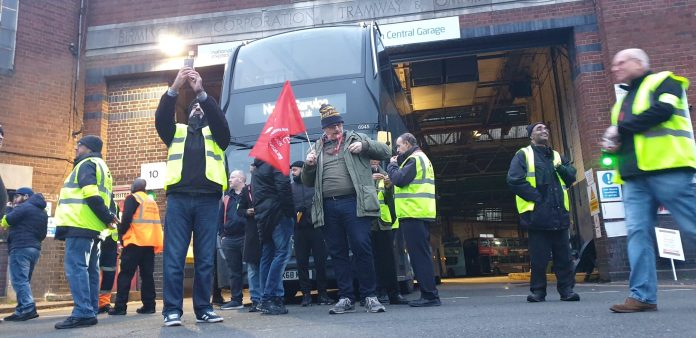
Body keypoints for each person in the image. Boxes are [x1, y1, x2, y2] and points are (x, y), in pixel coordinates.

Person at [602, 48, 696, 313]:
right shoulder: (621, 103)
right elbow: (626, 137)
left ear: (639, 63)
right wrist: (613, 145)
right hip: (634, 177)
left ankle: (642, 294)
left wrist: (620, 130)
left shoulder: (667, 81)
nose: (614, 68)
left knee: (692, 225)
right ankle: (642, 295)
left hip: (669, 168)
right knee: (637, 234)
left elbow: (663, 111)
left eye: (621, 62)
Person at [155, 67, 230, 326]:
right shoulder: (176, 132)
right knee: (174, 257)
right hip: (179, 200)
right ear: (188, 115)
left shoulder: (217, 136)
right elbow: (161, 118)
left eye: (203, 108)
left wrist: (201, 93)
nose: (199, 109)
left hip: (208, 200)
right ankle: (172, 311)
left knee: (205, 258)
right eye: (195, 108)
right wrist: (175, 88)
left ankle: (204, 308)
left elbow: (221, 123)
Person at [302, 103, 390, 314]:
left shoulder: (356, 139)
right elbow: (306, 181)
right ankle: (346, 297)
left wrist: (366, 147)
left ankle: (369, 295)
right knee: (338, 252)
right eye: (332, 127)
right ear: (324, 129)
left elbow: (386, 151)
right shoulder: (315, 147)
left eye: (339, 125)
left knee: (362, 247)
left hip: (354, 203)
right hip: (328, 206)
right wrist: (308, 165)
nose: (337, 129)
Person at [507, 123, 579, 303]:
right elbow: (514, 180)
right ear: (531, 136)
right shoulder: (523, 155)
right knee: (539, 258)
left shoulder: (556, 156)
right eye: (539, 129)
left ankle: (567, 291)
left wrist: (561, 168)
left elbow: (571, 177)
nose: (544, 130)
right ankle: (538, 292)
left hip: (559, 214)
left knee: (564, 257)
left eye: (546, 128)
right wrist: (537, 198)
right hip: (537, 216)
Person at [54, 135, 117, 329]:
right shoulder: (103, 168)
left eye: (79, 145)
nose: (76, 148)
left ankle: (83, 312)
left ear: (88, 148)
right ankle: (89, 309)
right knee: (90, 269)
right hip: (94, 228)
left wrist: (107, 217)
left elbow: (90, 193)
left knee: (76, 268)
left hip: (79, 224)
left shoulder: (86, 164)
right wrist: (107, 218)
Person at [386, 133, 441, 307]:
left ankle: (430, 296)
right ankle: (429, 294)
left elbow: (399, 180)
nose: (397, 149)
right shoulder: (421, 158)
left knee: (419, 256)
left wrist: (392, 166)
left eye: (399, 146)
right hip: (419, 212)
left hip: (414, 212)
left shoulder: (414, 159)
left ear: (408, 144)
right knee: (421, 255)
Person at [108, 178, 163, 316]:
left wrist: (121, 231)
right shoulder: (152, 202)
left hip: (134, 242)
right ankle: (149, 305)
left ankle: (120, 307)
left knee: (125, 274)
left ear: (135, 187)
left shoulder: (133, 198)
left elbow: (126, 219)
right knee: (147, 276)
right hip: (149, 244)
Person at [252, 158, 294, 315]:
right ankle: (270, 297)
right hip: (278, 214)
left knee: (267, 256)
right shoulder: (277, 163)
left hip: (264, 216)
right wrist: (290, 211)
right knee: (282, 253)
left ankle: (268, 297)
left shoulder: (258, 168)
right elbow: (284, 187)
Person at [1, 187, 47, 321]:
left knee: (19, 280)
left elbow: (6, 221)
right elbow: (43, 234)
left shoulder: (24, 208)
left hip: (20, 248)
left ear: (26, 196)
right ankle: (21, 310)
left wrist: (9, 209)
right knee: (24, 280)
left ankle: (27, 307)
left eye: (17, 196)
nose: (14, 200)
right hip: (34, 249)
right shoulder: (42, 212)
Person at [290, 161, 332, 307]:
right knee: (302, 263)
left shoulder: (315, 185)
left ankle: (323, 294)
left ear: (303, 170)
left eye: (294, 170)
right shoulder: (291, 188)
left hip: (316, 228)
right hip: (299, 230)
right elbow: (287, 208)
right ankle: (306, 295)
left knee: (321, 262)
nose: (292, 173)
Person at [370, 160, 408, 305]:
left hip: (385, 223)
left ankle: (394, 294)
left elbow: (392, 199)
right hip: (367, 223)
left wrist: (389, 187)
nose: (373, 161)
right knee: (370, 261)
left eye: (376, 158)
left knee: (388, 261)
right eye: (370, 158)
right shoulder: (359, 175)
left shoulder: (387, 175)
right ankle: (375, 293)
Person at [219, 170, 247, 310]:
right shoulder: (226, 198)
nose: (229, 180)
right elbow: (220, 216)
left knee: (254, 267)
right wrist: (222, 234)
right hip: (229, 239)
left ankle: (258, 298)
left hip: (246, 236)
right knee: (233, 270)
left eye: (233, 177)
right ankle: (236, 299)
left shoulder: (249, 194)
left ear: (241, 179)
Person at [239, 164, 261, 312]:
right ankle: (256, 299)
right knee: (253, 268)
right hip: (252, 233)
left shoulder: (268, 187)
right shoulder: (247, 190)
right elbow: (239, 210)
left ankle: (267, 297)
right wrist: (247, 211)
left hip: (267, 230)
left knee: (266, 265)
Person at [97, 195, 119, 314]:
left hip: (110, 243)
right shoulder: (97, 200)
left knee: (109, 273)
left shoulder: (114, 204)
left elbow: (117, 223)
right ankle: (92, 301)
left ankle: (104, 302)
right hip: (98, 238)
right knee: (93, 271)